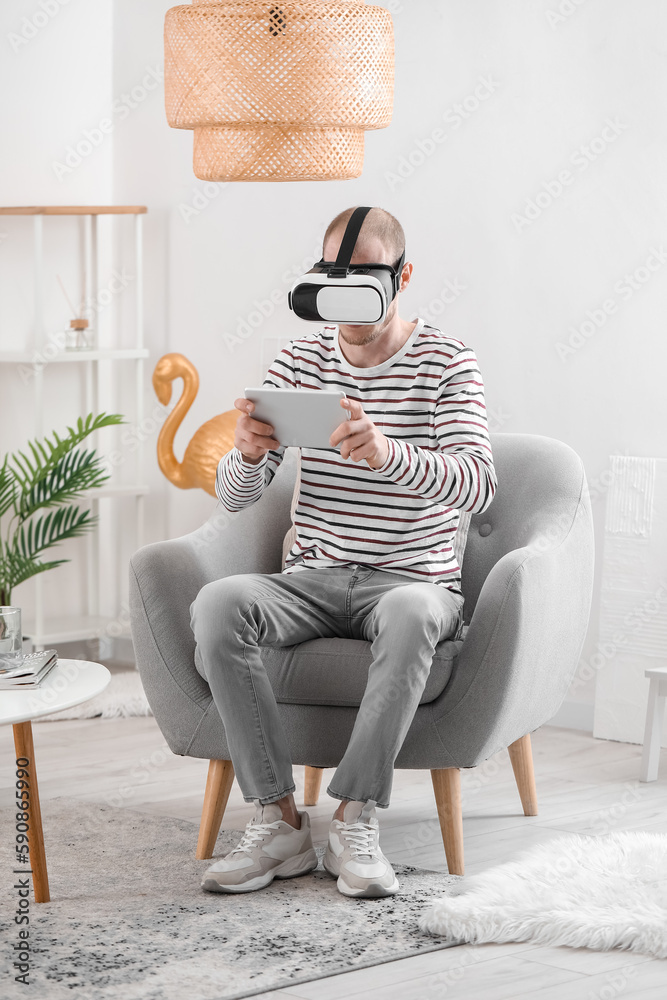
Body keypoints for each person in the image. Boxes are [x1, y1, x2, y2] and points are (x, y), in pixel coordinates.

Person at [190, 206, 497, 898]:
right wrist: (247, 456)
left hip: (411, 581)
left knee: (413, 613)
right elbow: (236, 498)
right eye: (334, 273)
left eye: (364, 274)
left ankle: (355, 818)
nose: (346, 289)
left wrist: (389, 454)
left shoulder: (448, 362)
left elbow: (479, 485)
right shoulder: (299, 361)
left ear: (402, 276)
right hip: (314, 576)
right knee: (218, 604)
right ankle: (278, 821)